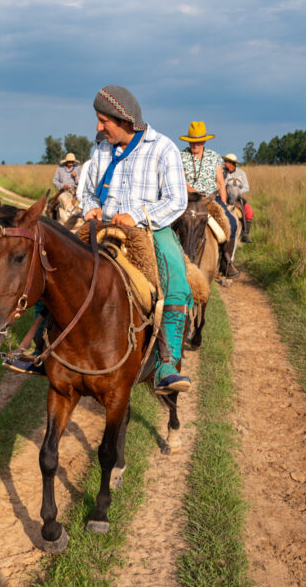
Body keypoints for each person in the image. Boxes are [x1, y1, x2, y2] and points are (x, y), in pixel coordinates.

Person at [80, 85, 193, 395]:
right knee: (51, 253)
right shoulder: (101, 149)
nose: (98, 127)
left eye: (104, 120)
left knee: (176, 276)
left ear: (125, 120)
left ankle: (166, 363)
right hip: (102, 226)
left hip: (148, 229)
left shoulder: (163, 148)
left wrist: (138, 215)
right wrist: (89, 206)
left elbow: (176, 200)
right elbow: (88, 188)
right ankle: (40, 343)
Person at [178, 122, 240, 278]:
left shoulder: (214, 157)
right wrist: (192, 191)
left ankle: (226, 262)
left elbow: (220, 182)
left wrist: (224, 203)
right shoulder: (181, 156)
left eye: (198, 141)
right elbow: (179, 178)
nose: (194, 144)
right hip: (187, 199)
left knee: (231, 222)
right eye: (192, 140)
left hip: (209, 199)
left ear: (204, 141)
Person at [222, 153, 252, 242]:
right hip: (224, 197)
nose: (224, 163)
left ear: (231, 163)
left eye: (226, 161)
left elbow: (246, 187)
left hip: (238, 198)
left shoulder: (241, 173)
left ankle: (245, 234)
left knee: (249, 212)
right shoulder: (221, 172)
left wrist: (238, 193)